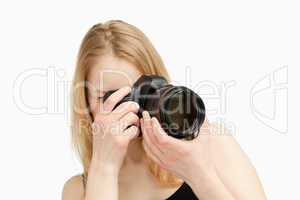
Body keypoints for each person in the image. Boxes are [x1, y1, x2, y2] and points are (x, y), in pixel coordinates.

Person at [62, 20, 267, 200]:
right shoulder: (79, 190)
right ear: (86, 103)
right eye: (112, 96)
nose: (132, 106)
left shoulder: (214, 146)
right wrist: (104, 168)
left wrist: (199, 174)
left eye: (143, 91)